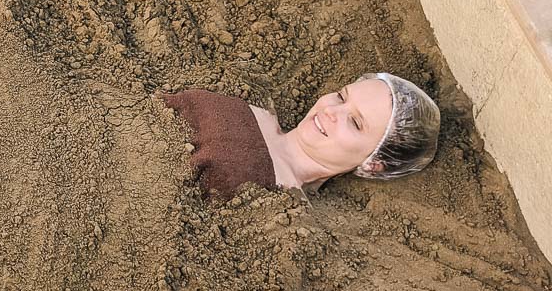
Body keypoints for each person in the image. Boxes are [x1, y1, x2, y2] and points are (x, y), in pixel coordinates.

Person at [163, 73, 441, 199]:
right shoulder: (249, 97)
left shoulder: (276, 206)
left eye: (355, 122)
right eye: (342, 96)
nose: (332, 110)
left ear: (374, 163)